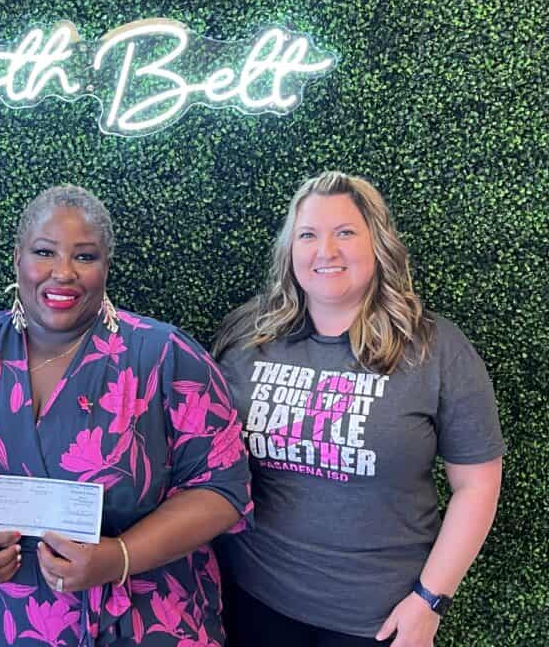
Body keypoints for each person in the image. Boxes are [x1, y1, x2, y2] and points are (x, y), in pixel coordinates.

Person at [0, 184, 252, 647]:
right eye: (44, 252)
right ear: (17, 258)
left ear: (106, 266)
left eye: (84, 256)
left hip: (135, 625)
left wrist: (119, 556)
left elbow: (222, 487)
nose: (63, 273)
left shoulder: (164, 356)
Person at [212, 171, 504, 647]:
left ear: (378, 244)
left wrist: (429, 601)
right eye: (308, 235)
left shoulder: (435, 348)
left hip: (379, 618)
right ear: (290, 250)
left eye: (344, 232)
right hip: (253, 598)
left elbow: (477, 485)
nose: (325, 251)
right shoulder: (248, 336)